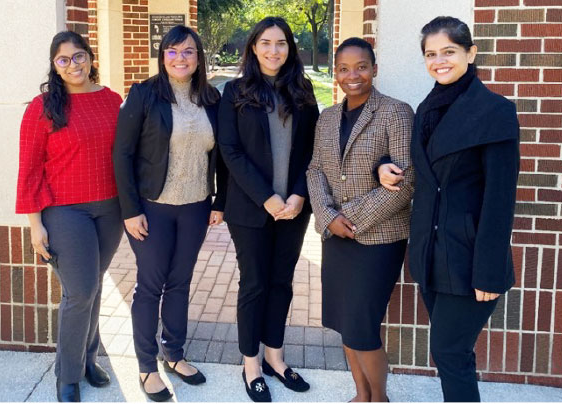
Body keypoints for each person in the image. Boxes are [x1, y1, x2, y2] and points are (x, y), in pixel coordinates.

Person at [377, 16, 520, 402]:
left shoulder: (496, 111)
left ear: (470, 53)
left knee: (449, 352)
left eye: (449, 52)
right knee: (455, 353)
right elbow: (434, 172)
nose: (439, 61)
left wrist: (489, 272)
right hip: (429, 253)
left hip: (470, 258)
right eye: (431, 54)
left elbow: (500, 199)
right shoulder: (428, 107)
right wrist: (388, 168)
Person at [113, 25, 226, 402]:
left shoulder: (211, 98)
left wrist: (220, 200)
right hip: (152, 209)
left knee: (180, 283)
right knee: (150, 285)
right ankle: (146, 366)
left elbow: (222, 154)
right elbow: (122, 154)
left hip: (194, 207)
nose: (181, 58)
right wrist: (130, 211)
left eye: (189, 52)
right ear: (163, 56)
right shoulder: (144, 94)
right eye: (173, 51)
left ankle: (173, 354)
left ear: (198, 57)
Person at [16, 31, 123, 402]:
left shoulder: (111, 101)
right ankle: (67, 375)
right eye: (63, 60)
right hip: (64, 211)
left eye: (79, 56)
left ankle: (88, 360)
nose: (73, 65)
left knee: (93, 286)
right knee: (80, 292)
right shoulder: (43, 107)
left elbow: (123, 157)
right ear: (55, 66)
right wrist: (34, 225)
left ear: (90, 57)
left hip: (110, 208)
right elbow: (28, 170)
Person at [218, 16, 320, 403]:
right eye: (265, 43)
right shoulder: (235, 91)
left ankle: (276, 358)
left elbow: (313, 148)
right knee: (255, 283)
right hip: (250, 210)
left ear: (290, 48)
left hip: (294, 208)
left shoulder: (303, 90)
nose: (273, 51)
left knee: (281, 283)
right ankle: (251, 364)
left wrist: (297, 195)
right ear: (253, 47)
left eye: (281, 43)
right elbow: (230, 151)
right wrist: (267, 197)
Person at [306, 37, 414, 403]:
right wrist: (327, 216)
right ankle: (361, 395)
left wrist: (346, 218)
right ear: (335, 72)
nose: (353, 75)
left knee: (363, 328)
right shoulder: (328, 117)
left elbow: (406, 179)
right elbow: (315, 169)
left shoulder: (396, 112)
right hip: (335, 237)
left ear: (375, 70)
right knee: (345, 326)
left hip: (379, 239)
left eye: (362, 67)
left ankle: (379, 399)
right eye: (344, 68)